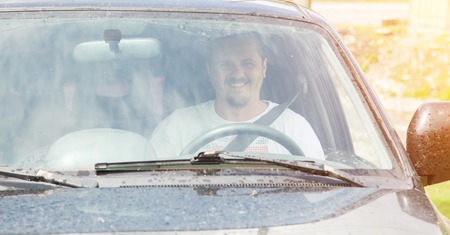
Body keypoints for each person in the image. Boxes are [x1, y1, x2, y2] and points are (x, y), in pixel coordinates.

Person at [149, 32, 324, 159]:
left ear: (263, 68)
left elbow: (317, 195)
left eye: (247, 63)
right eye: (226, 64)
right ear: (210, 70)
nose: (237, 73)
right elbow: (154, 192)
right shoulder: (177, 127)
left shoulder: (294, 128)